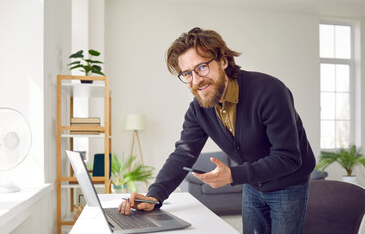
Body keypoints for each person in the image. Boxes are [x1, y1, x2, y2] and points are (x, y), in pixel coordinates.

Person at [119, 27, 316, 234]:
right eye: (187, 73)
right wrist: (154, 196)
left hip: (289, 183)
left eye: (202, 67)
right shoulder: (198, 109)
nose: (196, 80)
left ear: (223, 61)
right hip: (252, 184)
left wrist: (233, 175)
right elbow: (183, 154)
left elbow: (288, 157)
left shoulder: (269, 91)